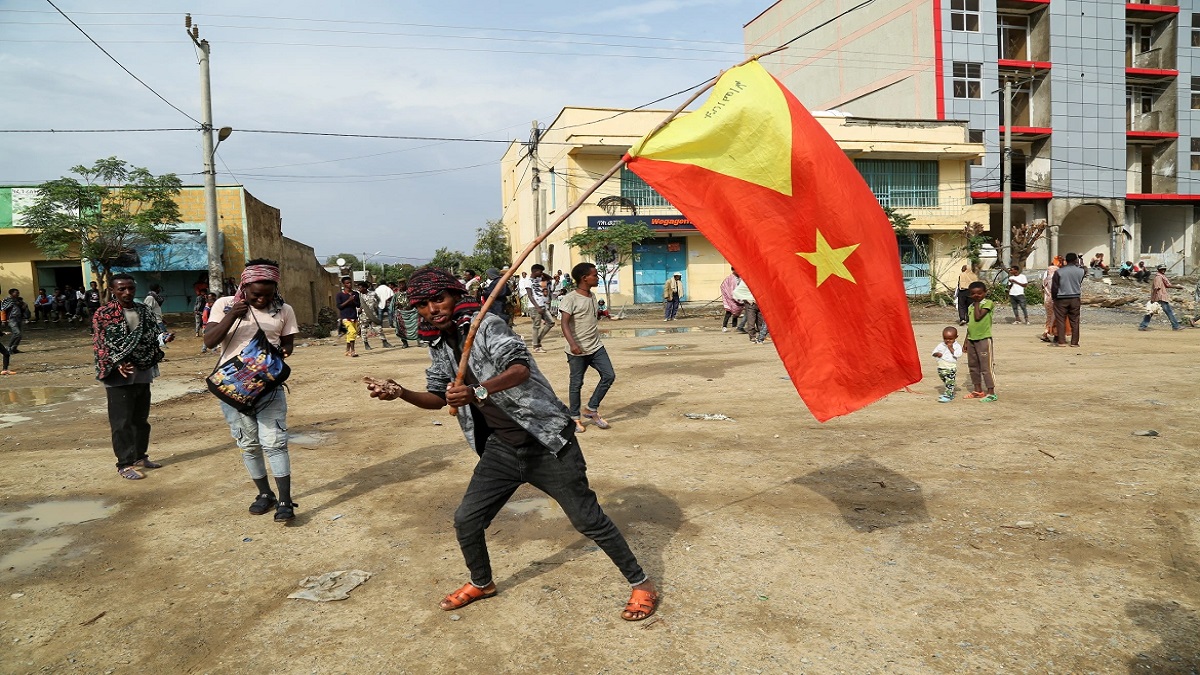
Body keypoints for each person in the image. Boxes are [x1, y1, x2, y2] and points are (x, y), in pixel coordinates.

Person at [364, 268, 658, 621]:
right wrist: (400, 393)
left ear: (455, 297)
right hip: (501, 450)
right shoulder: (439, 345)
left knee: (588, 520)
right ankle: (482, 582)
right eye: (423, 305)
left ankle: (641, 583)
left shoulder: (487, 325)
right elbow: (438, 397)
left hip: (547, 443)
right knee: (466, 520)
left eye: (438, 299)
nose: (432, 309)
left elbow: (519, 370)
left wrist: (477, 390)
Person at [204, 259, 300, 523]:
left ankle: (284, 501)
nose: (262, 299)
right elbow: (210, 340)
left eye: (268, 295)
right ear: (244, 287)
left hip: (267, 388)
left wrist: (282, 352)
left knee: (275, 443)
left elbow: (288, 344)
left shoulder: (284, 310)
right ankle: (264, 494)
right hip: (233, 389)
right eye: (256, 294)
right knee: (248, 445)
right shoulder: (224, 305)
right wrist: (233, 314)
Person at [92, 273, 172, 480]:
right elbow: (102, 344)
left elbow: (151, 335)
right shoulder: (104, 313)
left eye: (130, 288)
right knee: (121, 422)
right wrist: (117, 362)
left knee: (141, 420)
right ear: (112, 290)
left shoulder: (143, 310)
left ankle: (139, 456)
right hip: (117, 375)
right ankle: (124, 464)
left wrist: (163, 338)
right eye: (121, 289)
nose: (127, 292)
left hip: (142, 371)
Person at [559, 263, 616, 433]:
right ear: (584, 278)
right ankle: (575, 418)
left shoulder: (592, 296)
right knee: (576, 383)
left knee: (609, 375)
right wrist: (573, 344)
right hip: (577, 350)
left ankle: (591, 409)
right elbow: (564, 323)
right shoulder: (570, 298)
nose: (597, 278)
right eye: (595, 275)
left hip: (596, 346)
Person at [963, 281, 997, 402]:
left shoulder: (987, 303)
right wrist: (966, 340)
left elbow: (978, 317)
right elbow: (971, 324)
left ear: (985, 293)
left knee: (986, 366)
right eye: (973, 294)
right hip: (972, 339)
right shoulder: (970, 307)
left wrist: (977, 302)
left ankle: (991, 391)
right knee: (973, 366)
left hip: (983, 339)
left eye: (979, 293)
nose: (976, 296)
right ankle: (978, 390)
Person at [1051, 252, 1085, 347]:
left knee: (1060, 320)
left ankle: (1061, 341)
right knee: (1075, 320)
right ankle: (1074, 342)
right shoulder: (1081, 271)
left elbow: (1055, 286)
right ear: (1075, 260)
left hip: (1061, 298)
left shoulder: (1059, 272)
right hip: (1075, 297)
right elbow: (1079, 282)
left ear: (1066, 260)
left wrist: (1054, 298)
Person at [1138, 264, 1183, 331]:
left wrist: (1177, 287)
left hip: (1159, 297)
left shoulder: (1161, 276)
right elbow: (1156, 288)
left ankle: (1143, 326)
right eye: (1162, 269)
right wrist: (1152, 299)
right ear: (1159, 270)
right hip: (1160, 297)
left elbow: (1167, 285)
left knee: (1151, 311)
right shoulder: (1158, 277)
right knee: (1168, 311)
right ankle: (1175, 326)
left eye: (1164, 269)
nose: (1163, 270)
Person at [524, 264, 555, 353]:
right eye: (540, 271)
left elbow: (550, 278)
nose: (542, 273)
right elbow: (530, 296)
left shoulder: (538, 279)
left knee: (551, 323)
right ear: (535, 271)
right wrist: (537, 308)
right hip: (534, 307)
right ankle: (535, 346)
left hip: (542, 305)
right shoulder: (528, 281)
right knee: (536, 326)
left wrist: (541, 273)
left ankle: (537, 340)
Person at [931, 326, 962, 403]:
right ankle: (949, 392)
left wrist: (951, 348)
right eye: (945, 338)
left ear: (956, 337)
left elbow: (958, 354)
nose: (948, 341)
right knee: (944, 379)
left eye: (950, 339)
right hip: (941, 367)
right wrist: (936, 354)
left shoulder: (956, 346)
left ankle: (948, 395)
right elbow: (934, 352)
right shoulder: (941, 345)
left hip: (950, 367)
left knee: (949, 381)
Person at [336, 277, 361, 357]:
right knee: (352, 332)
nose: (349, 284)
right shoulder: (340, 295)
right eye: (347, 283)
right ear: (344, 284)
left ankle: (347, 350)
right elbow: (339, 306)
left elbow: (358, 305)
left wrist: (353, 300)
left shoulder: (355, 294)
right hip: (345, 317)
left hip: (354, 316)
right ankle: (353, 351)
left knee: (351, 334)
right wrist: (348, 300)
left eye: (350, 283)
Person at [391, 280, 419, 348]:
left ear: (405, 285)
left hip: (412, 313)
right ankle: (404, 343)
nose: (401, 286)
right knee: (400, 329)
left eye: (402, 284)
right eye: (399, 285)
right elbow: (392, 305)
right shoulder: (396, 294)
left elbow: (416, 301)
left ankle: (419, 341)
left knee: (417, 327)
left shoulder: (411, 293)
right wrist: (396, 304)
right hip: (401, 313)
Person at [2, 289, 28, 353]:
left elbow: (23, 307)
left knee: (19, 335)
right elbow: (3, 309)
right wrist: (3, 320)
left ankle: (14, 348)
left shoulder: (18, 300)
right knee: (17, 333)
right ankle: (8, 347)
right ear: (11, 293)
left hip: (19, 318)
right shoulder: (7, 300)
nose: (18, 294)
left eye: (18, 293)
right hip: (11, 318)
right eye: (16, 293)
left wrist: (23, 305)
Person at [719, 267, 743, 332]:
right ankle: (724, 326)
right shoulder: (730, 278)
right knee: (729, 312)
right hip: (730, 298)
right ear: (733, 270)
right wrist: (730, 295)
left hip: (738, 297)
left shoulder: (740, 278)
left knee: (736, 312)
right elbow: (726, 287)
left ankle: (734, 326)